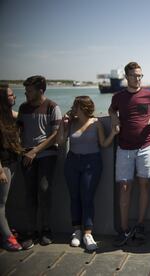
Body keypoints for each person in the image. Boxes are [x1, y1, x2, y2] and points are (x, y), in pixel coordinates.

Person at [108, 62, 150, 246]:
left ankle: (141, 225)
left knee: (144, 184)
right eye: (135, 75)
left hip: (146, 147)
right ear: (126, 77)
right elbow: (112, 109)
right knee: (125, 187)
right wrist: (113, 117)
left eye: (140, 75)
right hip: (124, 148)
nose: (138, 78)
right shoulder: (118, 97)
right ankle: (124, 229)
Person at [57, 96, 119, 251]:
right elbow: (61, 141)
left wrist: (113, 132)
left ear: (83, 108)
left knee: (87, 197)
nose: (73, 109)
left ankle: (88, 233)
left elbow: (104, 144)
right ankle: (76, 231)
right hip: (72, 162)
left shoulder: (96, 123)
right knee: (74, 196)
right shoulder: (71, 123)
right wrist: (62, 125)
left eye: (75, 106)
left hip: (92, 163)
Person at [17, 75, 62, 248]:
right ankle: (30, 232)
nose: (26, 93)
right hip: (27, 156)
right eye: (26, 90)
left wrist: (35, 151)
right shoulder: (23, 107)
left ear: (40, 91)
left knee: (44, 191)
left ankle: (45, 229)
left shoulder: (52, 107)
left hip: (46, 155)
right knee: (29, 194)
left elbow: (55, 136)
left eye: (29, 91)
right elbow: (18, 130)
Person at [0, 84, 23, 251]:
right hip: (3, 166)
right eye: (10, 95)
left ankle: (5, 231)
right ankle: (7, 237)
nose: (14, 97)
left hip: (12, 162)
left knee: (5, 202)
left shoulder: (11, 115)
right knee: (1, 203)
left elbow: (24, 117)